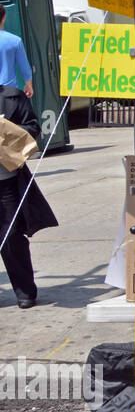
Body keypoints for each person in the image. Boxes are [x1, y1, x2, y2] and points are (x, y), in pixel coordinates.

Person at [0, 83, 57, 307]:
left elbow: (33, 128)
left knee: (11, 236)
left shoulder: (12, 96)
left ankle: (25, 291)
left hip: (7, 181)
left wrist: (7, 132)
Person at [0, 5, 34, 98]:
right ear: (4, 17)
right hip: (9, 94)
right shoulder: (15, 41)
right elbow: (25, 68)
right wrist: (29, 85)